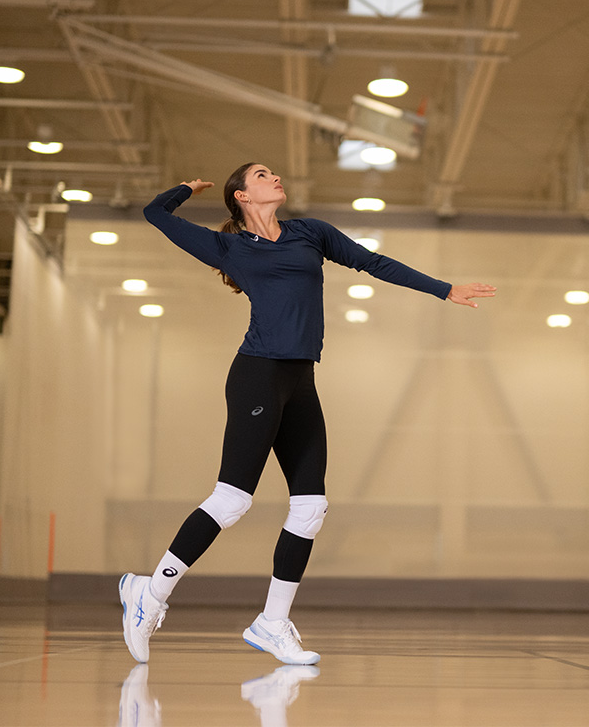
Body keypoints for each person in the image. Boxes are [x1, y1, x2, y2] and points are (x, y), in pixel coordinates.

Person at [120, 163, 496, 666]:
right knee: (232, 500)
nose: (274, 177)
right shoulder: (228, 247)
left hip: (300, 379)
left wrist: (443, 288)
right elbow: (154, 213)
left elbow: (373, 262)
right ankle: (150, 592)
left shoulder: (309, 234)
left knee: (310, 508)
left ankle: (272, 624)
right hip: (257, 374)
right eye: (262, 174)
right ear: (241, 194)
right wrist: (186, 188)